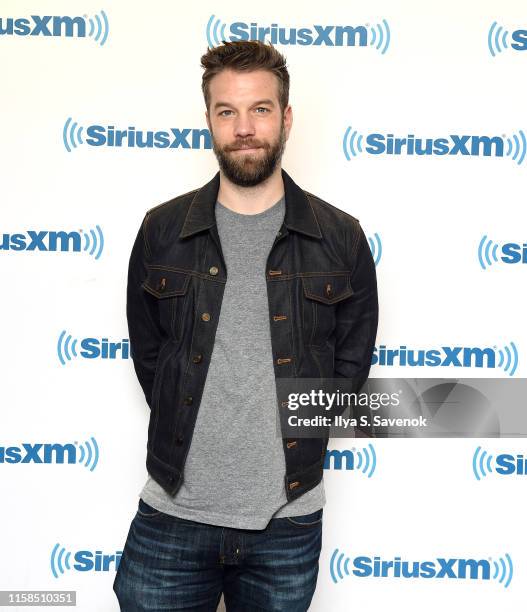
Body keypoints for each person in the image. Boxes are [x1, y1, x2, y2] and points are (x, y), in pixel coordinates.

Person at [113, 39, 378, 611]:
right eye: (226, 111)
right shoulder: (162, 230)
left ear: (286, 118)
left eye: (259, 109)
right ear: (207, 118)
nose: (243, 128)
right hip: (173, 515)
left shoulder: (341, 237)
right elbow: (151, 356)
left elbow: (351, 366)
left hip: (287, 520)